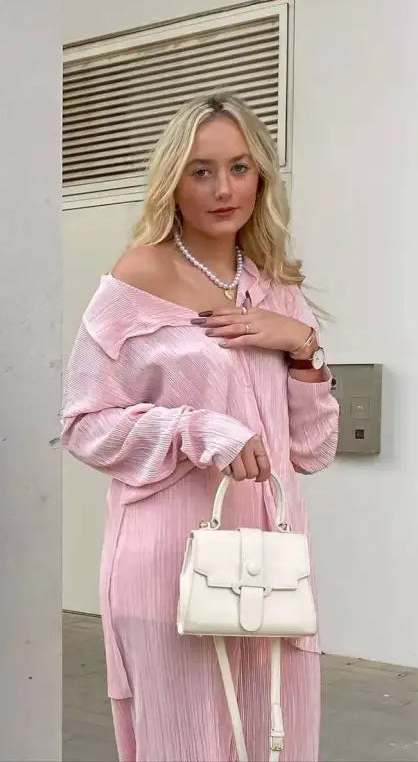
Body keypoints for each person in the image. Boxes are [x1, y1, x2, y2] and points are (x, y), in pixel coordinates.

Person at [60, 91, 339, 762]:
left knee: (277, 739)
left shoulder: (278, 288)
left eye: (240, 168)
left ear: (261, 177)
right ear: (173, 181)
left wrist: (302, 345)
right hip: (167, 559)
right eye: (201, 171)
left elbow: (311, 449)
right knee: (185, 744)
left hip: (272, 560)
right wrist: (198, 428)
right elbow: (84, 423)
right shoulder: (136, 279)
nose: (223, 189)